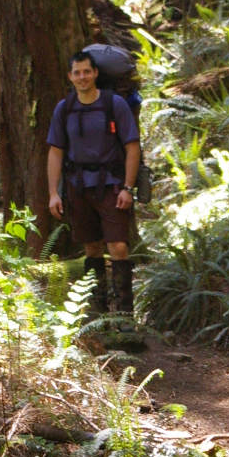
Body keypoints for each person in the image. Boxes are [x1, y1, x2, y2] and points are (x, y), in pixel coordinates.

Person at [47, 49, 141, 313]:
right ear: (70, 76)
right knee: (91, 248)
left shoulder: (114, 105)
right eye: (77, 72)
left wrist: (128, 188)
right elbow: (55, 151)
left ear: (96, 73)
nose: (82, 77)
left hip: (111, 184)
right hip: (77, 187)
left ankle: (124, 315)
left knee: (119, 246)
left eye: (87, 71)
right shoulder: (64, 109)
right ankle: (98, 313)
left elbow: (132, 147)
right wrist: (53, 193)